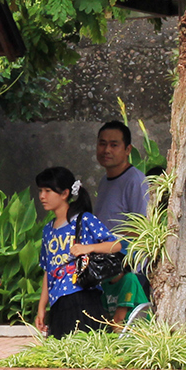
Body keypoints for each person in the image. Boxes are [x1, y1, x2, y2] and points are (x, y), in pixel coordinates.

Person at [33, 167, 122, 338]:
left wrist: (89, 248)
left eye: (48, 191)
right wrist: (41, 307)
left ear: (65, 193)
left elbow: (116, 245)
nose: (42, 196)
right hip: (58, 302)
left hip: (84, 297)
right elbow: (48, 270)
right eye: (40, 191)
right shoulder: (47, 230)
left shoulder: (84, 219)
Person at [93, 121, 151, 322]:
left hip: (129, 274)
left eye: (114, 144)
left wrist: (125, 267)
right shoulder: (105, 181)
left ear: (128, 150)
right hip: (106, 272)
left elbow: (141, 230)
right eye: (102, 143)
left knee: (124, 332)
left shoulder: (136, 181)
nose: (106, 150)